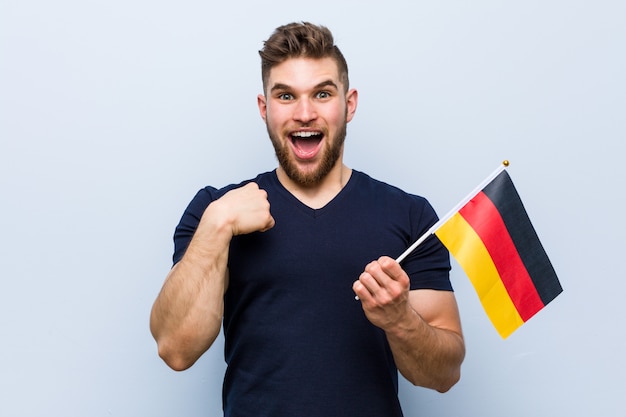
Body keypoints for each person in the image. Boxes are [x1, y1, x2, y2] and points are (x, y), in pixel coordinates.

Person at [150, 22, 465, 417]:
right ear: (265, 109)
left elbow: (444, 374)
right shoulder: (215, 209)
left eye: (322, 93)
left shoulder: (409, 214)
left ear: (348, 104)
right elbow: (175, 349)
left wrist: (400, 320)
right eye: (286, 95)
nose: (304, 113)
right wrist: (217, 225)